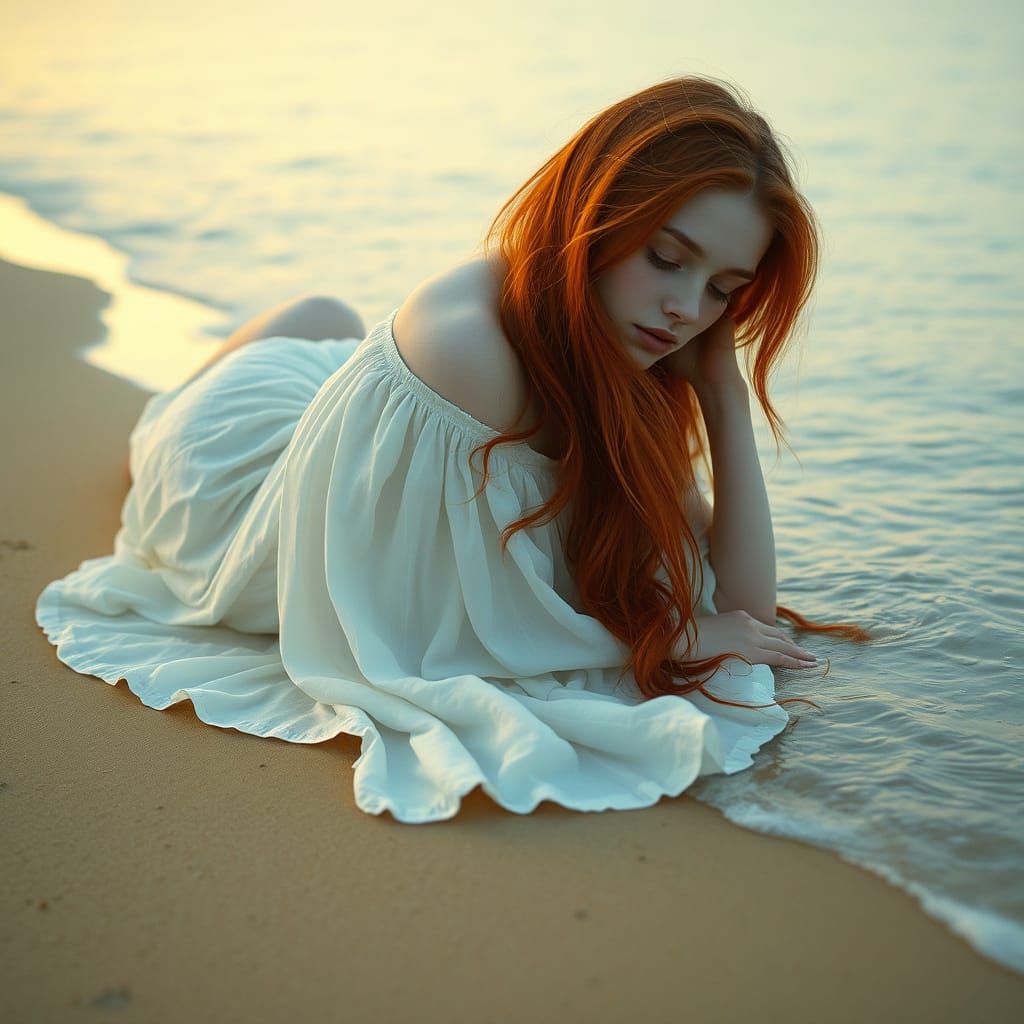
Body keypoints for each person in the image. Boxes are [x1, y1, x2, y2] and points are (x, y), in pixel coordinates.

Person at [39, 75, 868, 823]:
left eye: (724, 290)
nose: (688, 308)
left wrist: (722, 392)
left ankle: (306, 349)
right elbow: (437, 634)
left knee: (326, 318)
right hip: (234, 490)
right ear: (596, 214)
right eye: (666, 258)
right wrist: (671, 636)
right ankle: (164, 423)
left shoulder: (624, 351)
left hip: (354, 428)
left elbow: (742, 605)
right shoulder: (471, 359)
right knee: (188, 427)